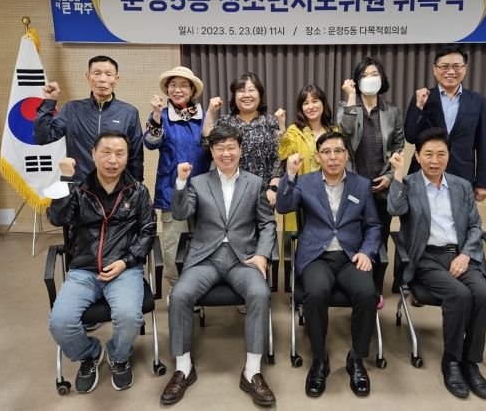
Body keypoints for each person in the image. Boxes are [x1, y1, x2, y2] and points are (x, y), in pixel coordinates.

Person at [161, 125, 277, 407]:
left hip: (243, 258)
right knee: (180, 295)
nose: (226, 153)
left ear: (240, 150)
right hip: (206, 258)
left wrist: (262, 255)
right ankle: (183, 368)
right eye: (220, 148)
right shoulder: (199, 182)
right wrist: (180, 182)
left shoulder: (255, 183)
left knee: (260, 294)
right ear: (212, 152)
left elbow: (267, 224)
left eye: (231, 147)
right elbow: (181, 213)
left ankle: (252, 372)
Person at [387, 128, 486, 400]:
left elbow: (475, 226)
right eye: (428, 154)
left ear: (449, 155)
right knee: (459, 295)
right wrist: (397, 175)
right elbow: (394, 209)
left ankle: (470, 362)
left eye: (441, 154)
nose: (434, 161)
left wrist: (466, 255)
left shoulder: (461, 186)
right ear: (418, 156)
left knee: (484, 296)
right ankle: (451, 361)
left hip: (461, 256)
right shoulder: (409, 183)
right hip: (426, 259)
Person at [47, 131, 157, 394]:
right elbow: (57, 218)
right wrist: (65, 179)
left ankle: (119, 355)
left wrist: (126, 262)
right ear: (93, 154)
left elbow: (148, 232)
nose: (112, 160)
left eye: (119, 153)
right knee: (60, 323)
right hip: (83, 271)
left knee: (129, 317)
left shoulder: (137, 191)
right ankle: (89, 354)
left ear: (127, 157)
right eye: (106, 152)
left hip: (124, 270)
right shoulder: (78, 189)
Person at [276, 131, 382, 398]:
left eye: (338, 151)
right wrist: (290, 174)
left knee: (367, 294)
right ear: (317, 157)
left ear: (346, 155)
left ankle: (356, 358)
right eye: (326, 152)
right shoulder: (306, 182)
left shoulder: (361, 184)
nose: (333, 157)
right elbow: (283, 206)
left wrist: (367, 252)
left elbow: (373, 226)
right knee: (314, 294)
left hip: (351, 256)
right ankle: (320, 359)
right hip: (317, 256)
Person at [143, 66, 210, 291]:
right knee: (173, 245)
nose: (177, 90)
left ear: (192, 90)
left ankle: (199, 287)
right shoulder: (160, 116)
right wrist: (155, 115)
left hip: (202, 191)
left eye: (183, 85)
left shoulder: (204, 117)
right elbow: (150, 143)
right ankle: (177, 289)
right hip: (171, 190)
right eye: (173, 85)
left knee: (203, 243)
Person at [35, 55, 144, 182]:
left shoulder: (128, 112)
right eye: (97, 73)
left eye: (108, 74)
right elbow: (42, 137)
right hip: (80, 185)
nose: (102, 79)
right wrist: (49, 102)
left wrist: (136, 187)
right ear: (88, 76)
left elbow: (136, 156)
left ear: (116, 79)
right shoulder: (72, 109)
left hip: (115, 187)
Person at [403, 44, 486, 202]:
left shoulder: (478, 102)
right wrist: (419, 107)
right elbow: (410, 136)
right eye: (444, 66)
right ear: (434, 69)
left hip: (461, 174)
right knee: (420, 216)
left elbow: (484, 145)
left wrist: (483, 182)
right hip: (424, 173)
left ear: (465, 69)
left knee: (458, 216)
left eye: (456, 66)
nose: (450, 72)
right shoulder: (423, 97)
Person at [337, 56, 404, 250]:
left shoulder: (392, 111)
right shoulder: (346, 108)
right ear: (357, 81)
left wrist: (390, 177)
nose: (370, 78)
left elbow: (398, 147)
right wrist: (351, 97)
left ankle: (377, 271)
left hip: (382, 187)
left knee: (380, 239)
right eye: (364, 75)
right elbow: (346, 130)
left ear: (382, 78)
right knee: (352, 238)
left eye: (374, 74)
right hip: (353, 184)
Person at [202, 72, 282, 207]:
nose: (246, 95)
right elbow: (206, 144)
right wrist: (210, 112)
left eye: (251, 90)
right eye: (241, 91)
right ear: (234, 96)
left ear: (260, 95)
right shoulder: (225, 122)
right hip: (230, 194)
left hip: (263, 194)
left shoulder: (271, 122)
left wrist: (273, 188)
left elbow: (279, 158)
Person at [278, 84, 336, 232]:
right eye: (305, 103)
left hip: (330, 195)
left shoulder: (334, 131)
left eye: (315, 101)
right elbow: (284, 153)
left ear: (323, 103)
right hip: (302, 195)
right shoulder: (295, 130)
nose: (310, 106)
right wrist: (282, 126)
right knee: (301, 236)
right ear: (301, 108)